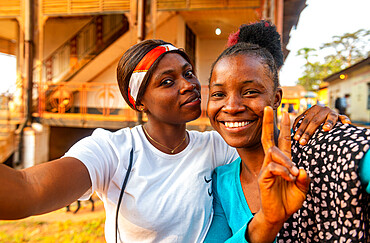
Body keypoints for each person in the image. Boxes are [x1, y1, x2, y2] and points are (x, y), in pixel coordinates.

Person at [0, 39, 349, 242]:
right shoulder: (112, 151)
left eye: (188, 73)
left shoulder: (216, 145)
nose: (188, 85)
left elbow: (264, 126)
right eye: (167, 82)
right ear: (138, 101)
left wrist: (319, 114)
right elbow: (27, 191)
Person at [204, 20, 370, 242]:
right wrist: (267, 221)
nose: (232, 107)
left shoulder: (322, 147)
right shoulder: (222, 182)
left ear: (276, 99)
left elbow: (358, 154)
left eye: (250, 92)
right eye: (218, 94)